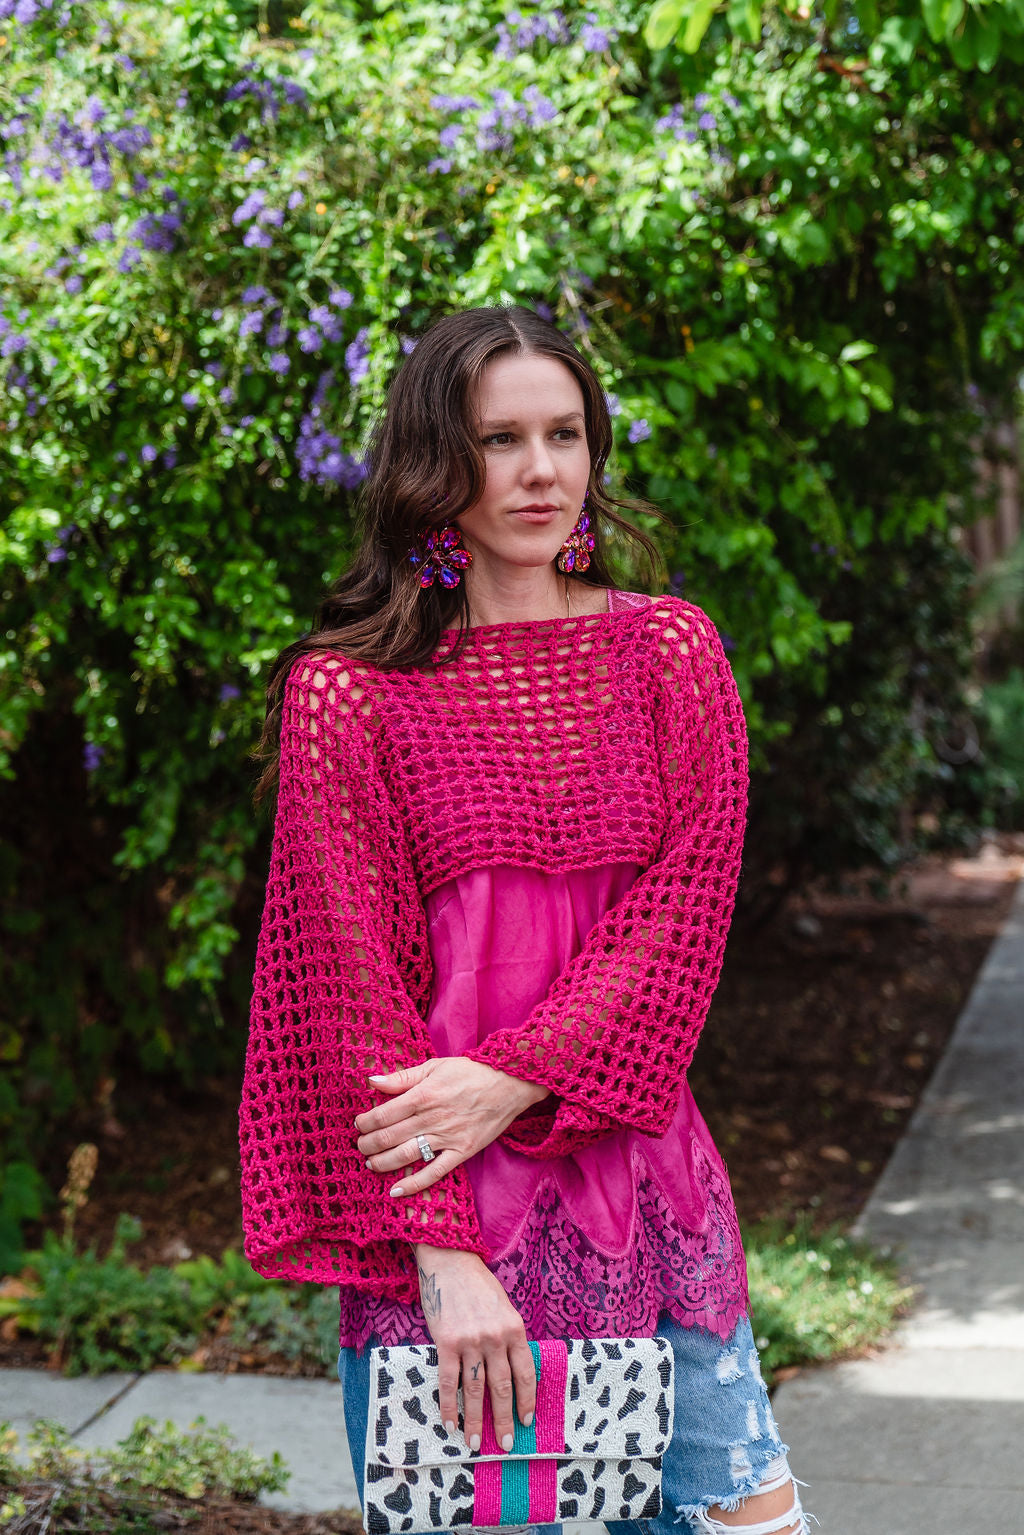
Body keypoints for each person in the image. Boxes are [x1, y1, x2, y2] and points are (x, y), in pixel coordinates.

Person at [239, 305, 811, 1535]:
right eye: (500, 440)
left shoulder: (670, 649)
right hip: (446, 1232)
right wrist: (445, 1263)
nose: (541, 471)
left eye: (565, 433)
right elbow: (351, 1000)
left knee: (750, 1519)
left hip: (651, 1199)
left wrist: (508, 1076)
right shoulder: (350, 696)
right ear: (436, 466)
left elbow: (683, 915)